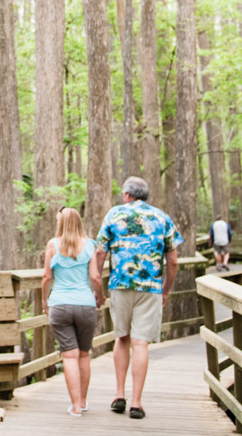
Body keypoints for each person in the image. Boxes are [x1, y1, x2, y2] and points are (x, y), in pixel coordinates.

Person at [93, 177, 181, 420]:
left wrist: (97, 283)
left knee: (121, 338)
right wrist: (165, 289)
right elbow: (173, 260)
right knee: (140, 343)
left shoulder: (114, 214)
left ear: (127, 195)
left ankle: (119, 395)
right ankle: (136, 403)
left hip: (120, 284)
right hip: (150, 286)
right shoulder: (162, 217)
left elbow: (100, 251)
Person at [40, 207, 101, 417]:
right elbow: (95, 277)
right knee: (83, 354)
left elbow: (47, 277)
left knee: (69, 356)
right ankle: (83, 401)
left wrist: (43, 299)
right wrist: (100, 296)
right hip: (85, 304)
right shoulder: (90, 245)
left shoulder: (53, 245)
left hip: (59, 304)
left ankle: (75, 406)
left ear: (61, 223)